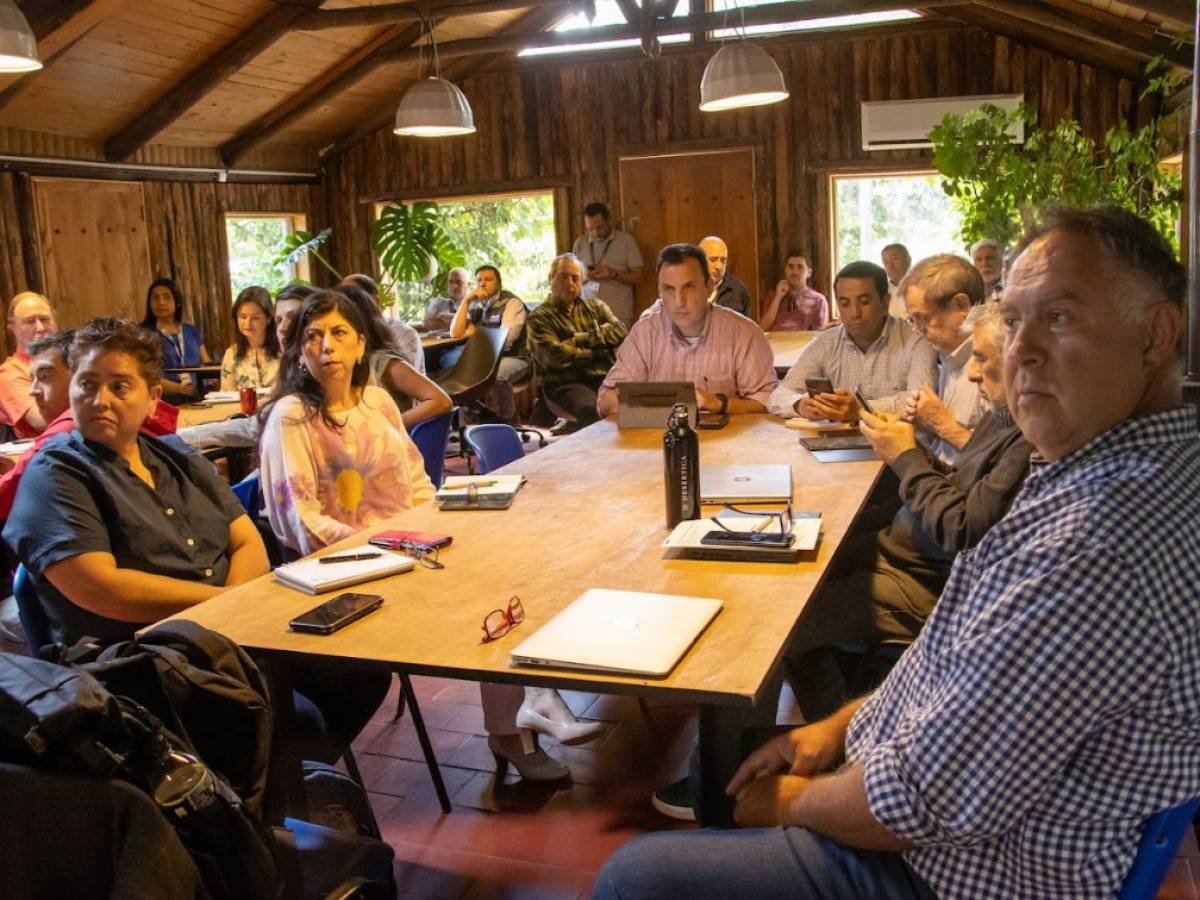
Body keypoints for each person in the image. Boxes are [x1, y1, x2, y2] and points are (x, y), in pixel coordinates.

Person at [593, 205, 1200, 899]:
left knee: (634, 876)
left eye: (1059, 318)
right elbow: (953, 659)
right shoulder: (1100, 469)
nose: (1017, 351)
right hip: (942, 802)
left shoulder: (1099, 549)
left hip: (952, 873)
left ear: (1155, 335)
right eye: (1017, 320)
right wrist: (836, 726)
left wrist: (790, 802)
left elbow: (921, 804)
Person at [261, 291, 584, 779]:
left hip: (411, 548)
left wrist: (437, 532)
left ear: (360, 343)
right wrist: (379, 552)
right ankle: (524, 713)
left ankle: (519, 717)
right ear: (300, 351)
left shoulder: (377, 402)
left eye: (338, 333)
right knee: (486, 589)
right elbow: (298, 522)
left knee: (510, 562)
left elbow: (415, 483)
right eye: (313, 336)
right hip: (348, 570)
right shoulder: (292, 416)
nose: (326, 346)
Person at [784, 303, 1030, 721]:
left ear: (1022, 362)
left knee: (786, 628)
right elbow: (961, 480)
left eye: (981, 358)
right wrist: (904, 450)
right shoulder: (1003, 416)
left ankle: (839, 742)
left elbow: (963, 529)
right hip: (905, 551)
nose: (970, 373)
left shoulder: (1027, 439)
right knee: (806, 561)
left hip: (928, 579)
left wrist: (907, 458)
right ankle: (852, 697)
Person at [3, 318, 266, 646]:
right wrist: (224, 604)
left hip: (227, 635)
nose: (100, 400)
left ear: (153, 399)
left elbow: (248, 542)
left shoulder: (177, 457)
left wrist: (232, 612)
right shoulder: (54, 474)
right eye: (86, 384)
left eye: (119, 386)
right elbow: (103, 589)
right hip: (136, 663)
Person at [0, 330, 179, 520]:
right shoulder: (135, 420)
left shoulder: (72, 429)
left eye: (44, 377)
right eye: (32, 379)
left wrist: (21, 472)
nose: (33, 391)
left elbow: (5, 497)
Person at [597, 244, 777, 418]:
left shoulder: (744, 333)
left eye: (688, 287)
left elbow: (768, 401)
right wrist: (661, 403)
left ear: (709, 287)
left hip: (726, 443)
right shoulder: (644, 334)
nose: (678, 301)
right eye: (668, 289)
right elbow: (605, 401)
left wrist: (720, 404)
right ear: (659, 291)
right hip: (657, 443)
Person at [767, 261, 936, 422]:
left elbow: (922, 403)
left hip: (902, 447)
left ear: (885, 302)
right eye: (845, 303)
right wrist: (799, 405)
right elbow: (779, 395)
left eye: (864, 302)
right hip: (835, 446)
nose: (854, 313)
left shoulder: (917, 341)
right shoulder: (825, 343)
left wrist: (860, 409)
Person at [899, 254, 987, 465]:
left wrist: (942, 424)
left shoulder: (993, 362)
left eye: (923, 318)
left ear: (961, 305)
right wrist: (919, 424)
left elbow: (1003, 464)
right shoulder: (949, 353)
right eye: (913, 319)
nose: (917, 330)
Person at [525, 252, 627, 429]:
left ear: (582, 281)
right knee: (593, 410)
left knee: (639, 405)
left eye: (575, 278)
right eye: (563, 277)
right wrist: (599, 348)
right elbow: (555, 357)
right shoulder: (538, 317)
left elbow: (621, 331)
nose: (570, 284)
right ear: (551, 278)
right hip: (566, 383)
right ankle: (596, 454)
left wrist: (579, 339)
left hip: (606, 378)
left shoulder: (596, 307)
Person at [336, 283, 452, 430]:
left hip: (389, 446)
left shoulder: (383, 361)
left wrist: (388, 427)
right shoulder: (339, 365)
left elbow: (441, 401)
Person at [448, 265, 530, 420]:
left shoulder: (511, 303)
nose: (482, 284)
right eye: (479, 280)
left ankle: (508, 420)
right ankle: (485, 416)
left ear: (498, 283)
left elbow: (506, 340)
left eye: (488, 279)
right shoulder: (476, 304)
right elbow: (455, 332)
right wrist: (466, 301)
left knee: (497, 376)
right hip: (486, 359)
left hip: (515, 357)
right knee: (453, 373)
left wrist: (476, 332)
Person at [572, 202, 643, 325]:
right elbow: (572, 279)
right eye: (590, 229)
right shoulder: (580, 243)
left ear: (608, 221)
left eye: (599, 227)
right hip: (588, 318)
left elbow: (638, 277)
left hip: (618, 318)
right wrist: (585, 277)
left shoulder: (626, 241)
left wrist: (614, 274)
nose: (595, 233)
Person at [339, 273, 425, 374]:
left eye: (352, 298)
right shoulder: (346, 334)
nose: (345, 304)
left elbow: (407, 378)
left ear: (375, 301)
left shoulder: (403, 333)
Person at [141, 277, 211, 399]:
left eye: (167, 297)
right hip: (163, 402)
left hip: (198, 397)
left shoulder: (192, 331)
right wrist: (179, 389)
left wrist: (208, 385)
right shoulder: (143, 334)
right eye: (155, 297)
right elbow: (145, 374)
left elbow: (207, 364)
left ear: (177, 302)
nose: (161, 302)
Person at [0, 291, 57, 437]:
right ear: (13, 328)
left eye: (45, 319)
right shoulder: (9, 373)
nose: (40, 328)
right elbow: (39, 419)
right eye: (30, 321)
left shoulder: (70, 361)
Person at [220, 286, 280, 391]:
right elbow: (226, 395)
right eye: (243, 317)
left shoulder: (283, 351)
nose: (248, 323)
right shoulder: (232, 354)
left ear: (269, 318)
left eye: (255, 318)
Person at [758, 249, 828, 332]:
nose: (795, 272)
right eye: (790, 266)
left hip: (803, 343)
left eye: (800, 267)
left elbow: (821, 335)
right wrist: (778, 298)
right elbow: (762, 329)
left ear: (809, 273)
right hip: (776, 343)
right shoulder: (773, 297)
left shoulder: (818, 300)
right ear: (785, 270)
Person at [700, 235, 752, 318]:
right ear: (700, 261)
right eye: (713, 260)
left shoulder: (738, 290)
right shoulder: (688, 287)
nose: (719, 267)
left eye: (723, 261)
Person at [420, 266, 470, 333]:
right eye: (451, 282)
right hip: (440, 342)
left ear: (468, 284)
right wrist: (458, 323)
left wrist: (441, 321)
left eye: (459, 282)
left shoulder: (474, 303)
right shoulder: (438, 301)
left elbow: (471, 324)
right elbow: (428, 323)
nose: (454, 286)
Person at [880, 242, 911, 319]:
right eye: (886, 262)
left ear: (909, 260)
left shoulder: (924, 287)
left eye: (895, 259)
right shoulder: (882, 291)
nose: (891, 266)